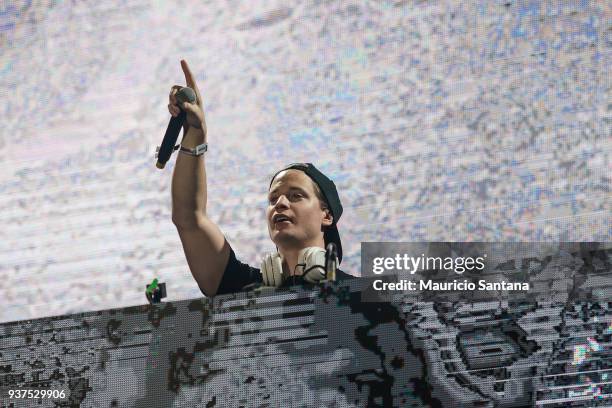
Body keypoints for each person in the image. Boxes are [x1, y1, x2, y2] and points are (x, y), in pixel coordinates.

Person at [169, 60, 352, 296]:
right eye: (273, 199)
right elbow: (189, 219)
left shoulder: (364, 296)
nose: (281, 204)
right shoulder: (242, 288)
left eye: (296, 195)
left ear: (326, 215)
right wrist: (195, 134)